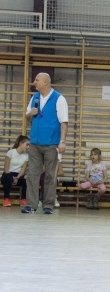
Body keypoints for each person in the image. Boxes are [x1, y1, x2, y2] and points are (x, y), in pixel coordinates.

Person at [23, 73, 68, 214]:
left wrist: (62, 141)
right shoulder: (34, 97)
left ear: (46, 82)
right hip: (35, 142)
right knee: (32, 175)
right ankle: (31, 204)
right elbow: (27, 117)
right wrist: (31, 113)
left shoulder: (59, 99)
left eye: (37, 80)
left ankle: (48, 204)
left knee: (50, 175)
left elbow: (64, 122)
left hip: (51, 144)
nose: (34, 82)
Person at [3, 135, 30, 207]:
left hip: (18, 175)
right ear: (21, 143)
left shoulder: (26, 156)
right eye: (27, 145)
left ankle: (23, 199)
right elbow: (6, 169)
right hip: (8, 174)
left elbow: (23, 170)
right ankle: (6, 199)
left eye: (29, 145)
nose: (28, 147)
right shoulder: (11, 152)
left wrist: (17, 178)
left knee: (26, 180)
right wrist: (12, 177)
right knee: (8, 178)